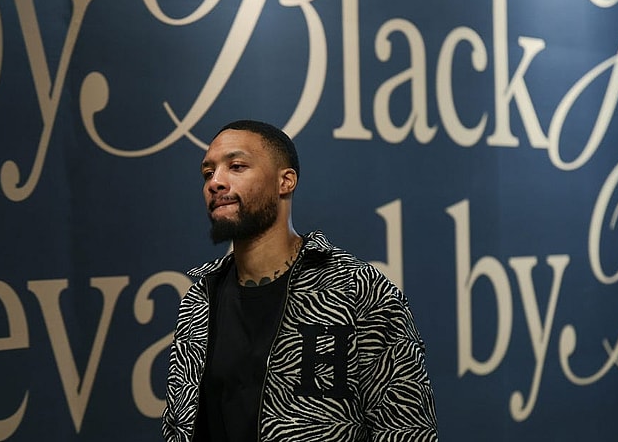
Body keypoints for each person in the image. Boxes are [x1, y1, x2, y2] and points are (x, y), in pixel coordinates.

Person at [162, 120, 438, 441]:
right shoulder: (200, 299)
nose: (216, 182)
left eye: (236, 166)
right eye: (208, 173)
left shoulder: (357, 290)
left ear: (286, 181)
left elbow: (406, 428)